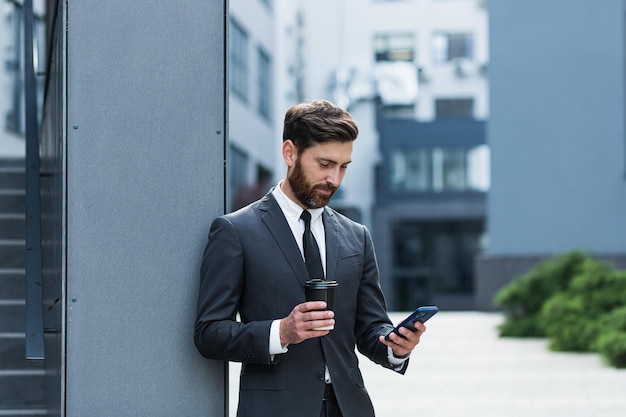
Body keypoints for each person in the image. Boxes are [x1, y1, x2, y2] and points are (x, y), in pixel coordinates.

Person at [194, 99, 427, 417]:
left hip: (350, 408)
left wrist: (395, 346)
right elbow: (209, 333)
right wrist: (282, 332)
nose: (335, 178)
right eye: (325, 164)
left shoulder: (356, 235)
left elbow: (370, 327)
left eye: (343, 167)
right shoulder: (235, 231)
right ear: (290, 152)